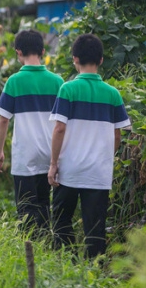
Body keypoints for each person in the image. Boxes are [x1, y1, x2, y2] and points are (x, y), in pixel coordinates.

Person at [47, 33, 130, 258]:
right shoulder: (113, 94)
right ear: (101, 60)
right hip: (98, 173)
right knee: (95, 226)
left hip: (69, 171)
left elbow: (59, 129)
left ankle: (67, 264)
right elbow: (117, 135)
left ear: (75, 59)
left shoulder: (68, 89)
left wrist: (53, 164)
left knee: (62, 220)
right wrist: (104, 157)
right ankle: (95, 270)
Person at [0, 30, 64, 233]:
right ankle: (46, 247)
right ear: (42, 51)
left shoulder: (14, 81)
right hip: (50, 155)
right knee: (44, 206)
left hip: (24, 156)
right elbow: (62, 123)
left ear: (18, 52)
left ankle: (31, 251)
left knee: (26, 210)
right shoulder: (57, 82)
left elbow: (3, 119)